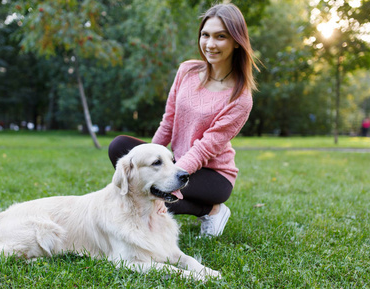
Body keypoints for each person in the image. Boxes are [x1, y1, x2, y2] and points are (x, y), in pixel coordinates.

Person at [108, 3, 258, 237]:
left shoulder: (240, 98)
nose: (210, 44)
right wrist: (150, 157)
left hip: (213, 175)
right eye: (205, 35)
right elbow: (168, 121)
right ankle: (162, 188)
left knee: (154, 196)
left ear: (237, 41)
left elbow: (204, 149)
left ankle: (211, 210)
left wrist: (164, 177)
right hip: (176, 161)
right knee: (120, 148)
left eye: (221, 37)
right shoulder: (187, 71)